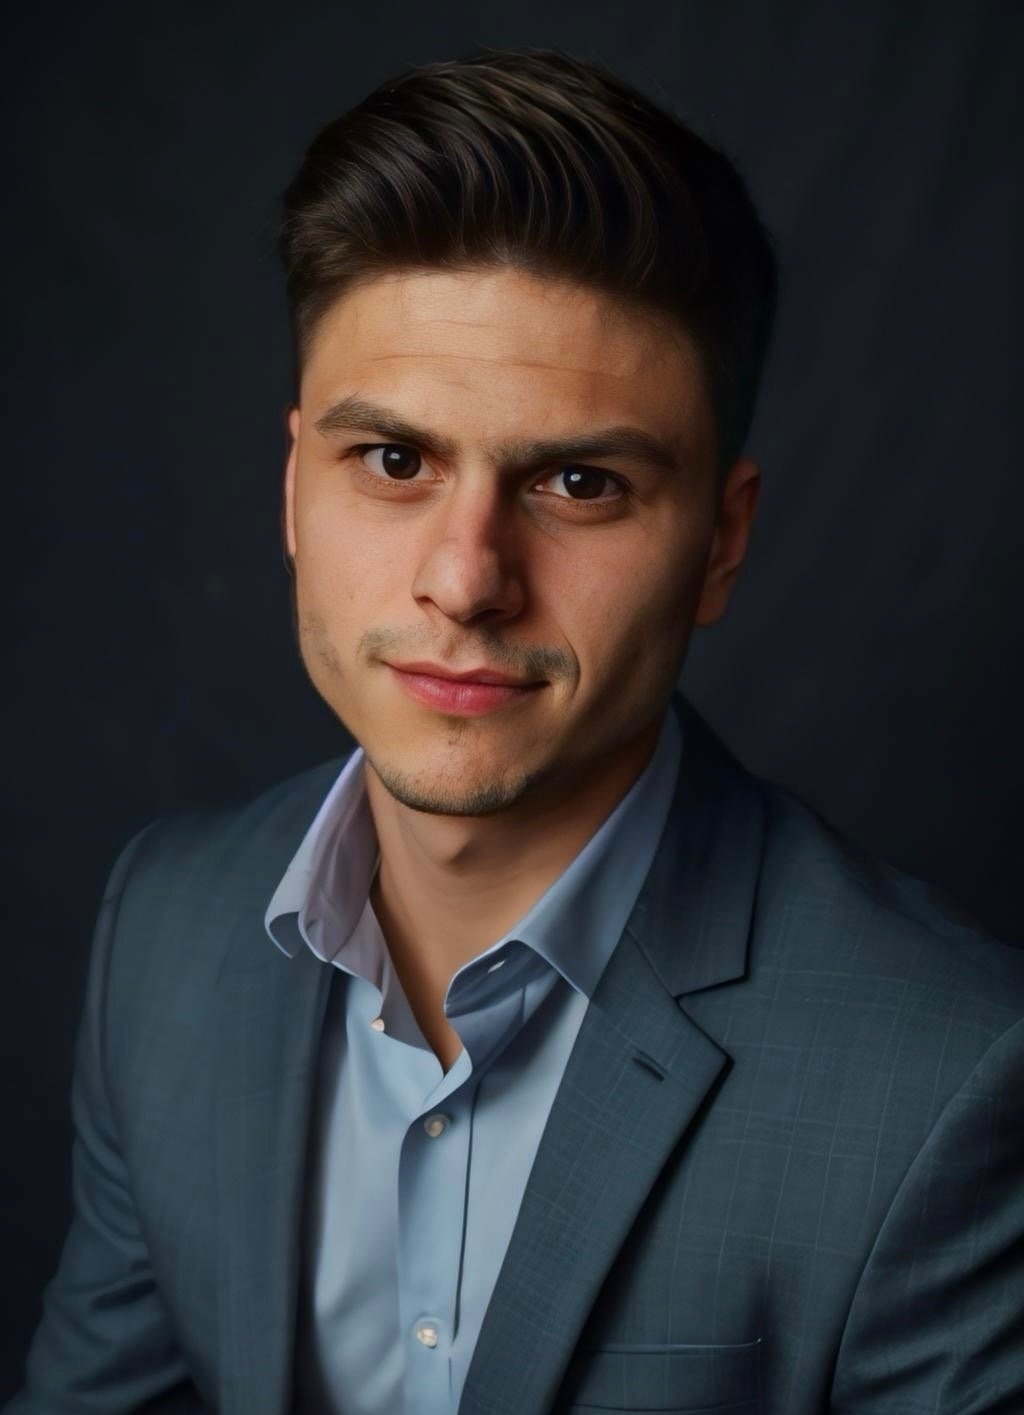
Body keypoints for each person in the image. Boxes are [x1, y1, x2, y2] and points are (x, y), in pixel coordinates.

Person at [6, 44, 1022, 1415]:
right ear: (296, 485)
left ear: (722, 543)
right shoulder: (167, 928)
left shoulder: (951, 1078)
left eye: (580, 481)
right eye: (396, 461)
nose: (466, 578)